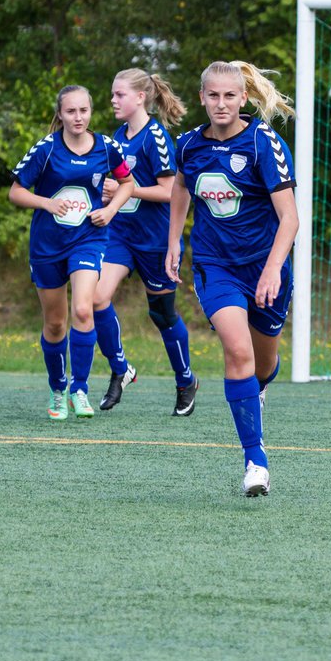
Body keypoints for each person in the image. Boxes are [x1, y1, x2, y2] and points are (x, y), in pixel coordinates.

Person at [167, 61, 298, 497]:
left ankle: (257, 390)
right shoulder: (187, 145)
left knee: (262, 365)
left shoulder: (264, 144)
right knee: (237, 351)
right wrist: (174, 244)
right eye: (212, 96)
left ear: (244, 99)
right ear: (201, 98)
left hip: (266, 266)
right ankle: (255, 461)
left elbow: (290, 219)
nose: (221, 104)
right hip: (214, 264)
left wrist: (274, 268)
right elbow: (180, 188)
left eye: (229, 95)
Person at [10, 85, 135, 420]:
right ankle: (57, 388)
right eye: (71, 112)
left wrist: (110, 212)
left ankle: (80, 389)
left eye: (84, 111)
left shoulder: (107, 147)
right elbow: (16, 191)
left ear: (91, 112)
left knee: (83, 309)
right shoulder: (46, 149)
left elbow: (128, 183)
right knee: (55, 323)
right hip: (47, 245)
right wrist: (46, 203)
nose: (78, 117)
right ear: (60, 114)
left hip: (88, 239)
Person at [93, 69, 198, 414]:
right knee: (96, 298)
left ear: (140, 97)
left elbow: (170, 191)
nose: (113, 100)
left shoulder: (156, 137)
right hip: (120, 234)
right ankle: (121, 368)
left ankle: (185, 380)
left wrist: (127, 189)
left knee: (162, 314)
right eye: (112, 94)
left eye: (119, 94)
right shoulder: (117, 137)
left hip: (154, 239)